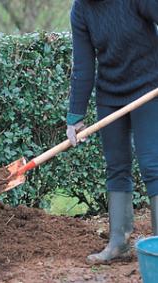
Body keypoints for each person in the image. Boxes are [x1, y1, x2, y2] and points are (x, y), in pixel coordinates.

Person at [66, 0, 158, 264]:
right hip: (110, 94)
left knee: (153, 164)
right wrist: (75, 116)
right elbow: (83, 65)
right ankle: (119, 243)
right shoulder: (81, 9)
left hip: (150, 87)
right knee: (116, 167)